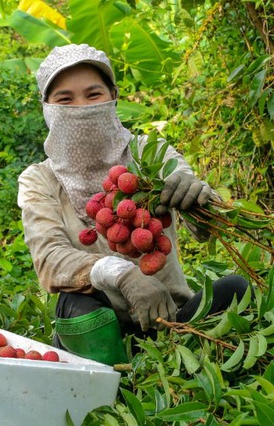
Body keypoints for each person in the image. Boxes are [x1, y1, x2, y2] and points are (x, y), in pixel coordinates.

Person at [17, 44, 249, 365]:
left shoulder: (148, 154)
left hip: (171, 317)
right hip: (97, 322)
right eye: (65, 99)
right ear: (46, 106)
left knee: (236, 288)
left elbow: (204, 227)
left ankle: (172, 353)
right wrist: (121, 274)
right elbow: (50, 259)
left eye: (93, 94)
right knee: (73, 302)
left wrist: (197, 198)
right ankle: (108, 378)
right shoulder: (39, 179)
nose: (81, 107)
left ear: (113, 95)